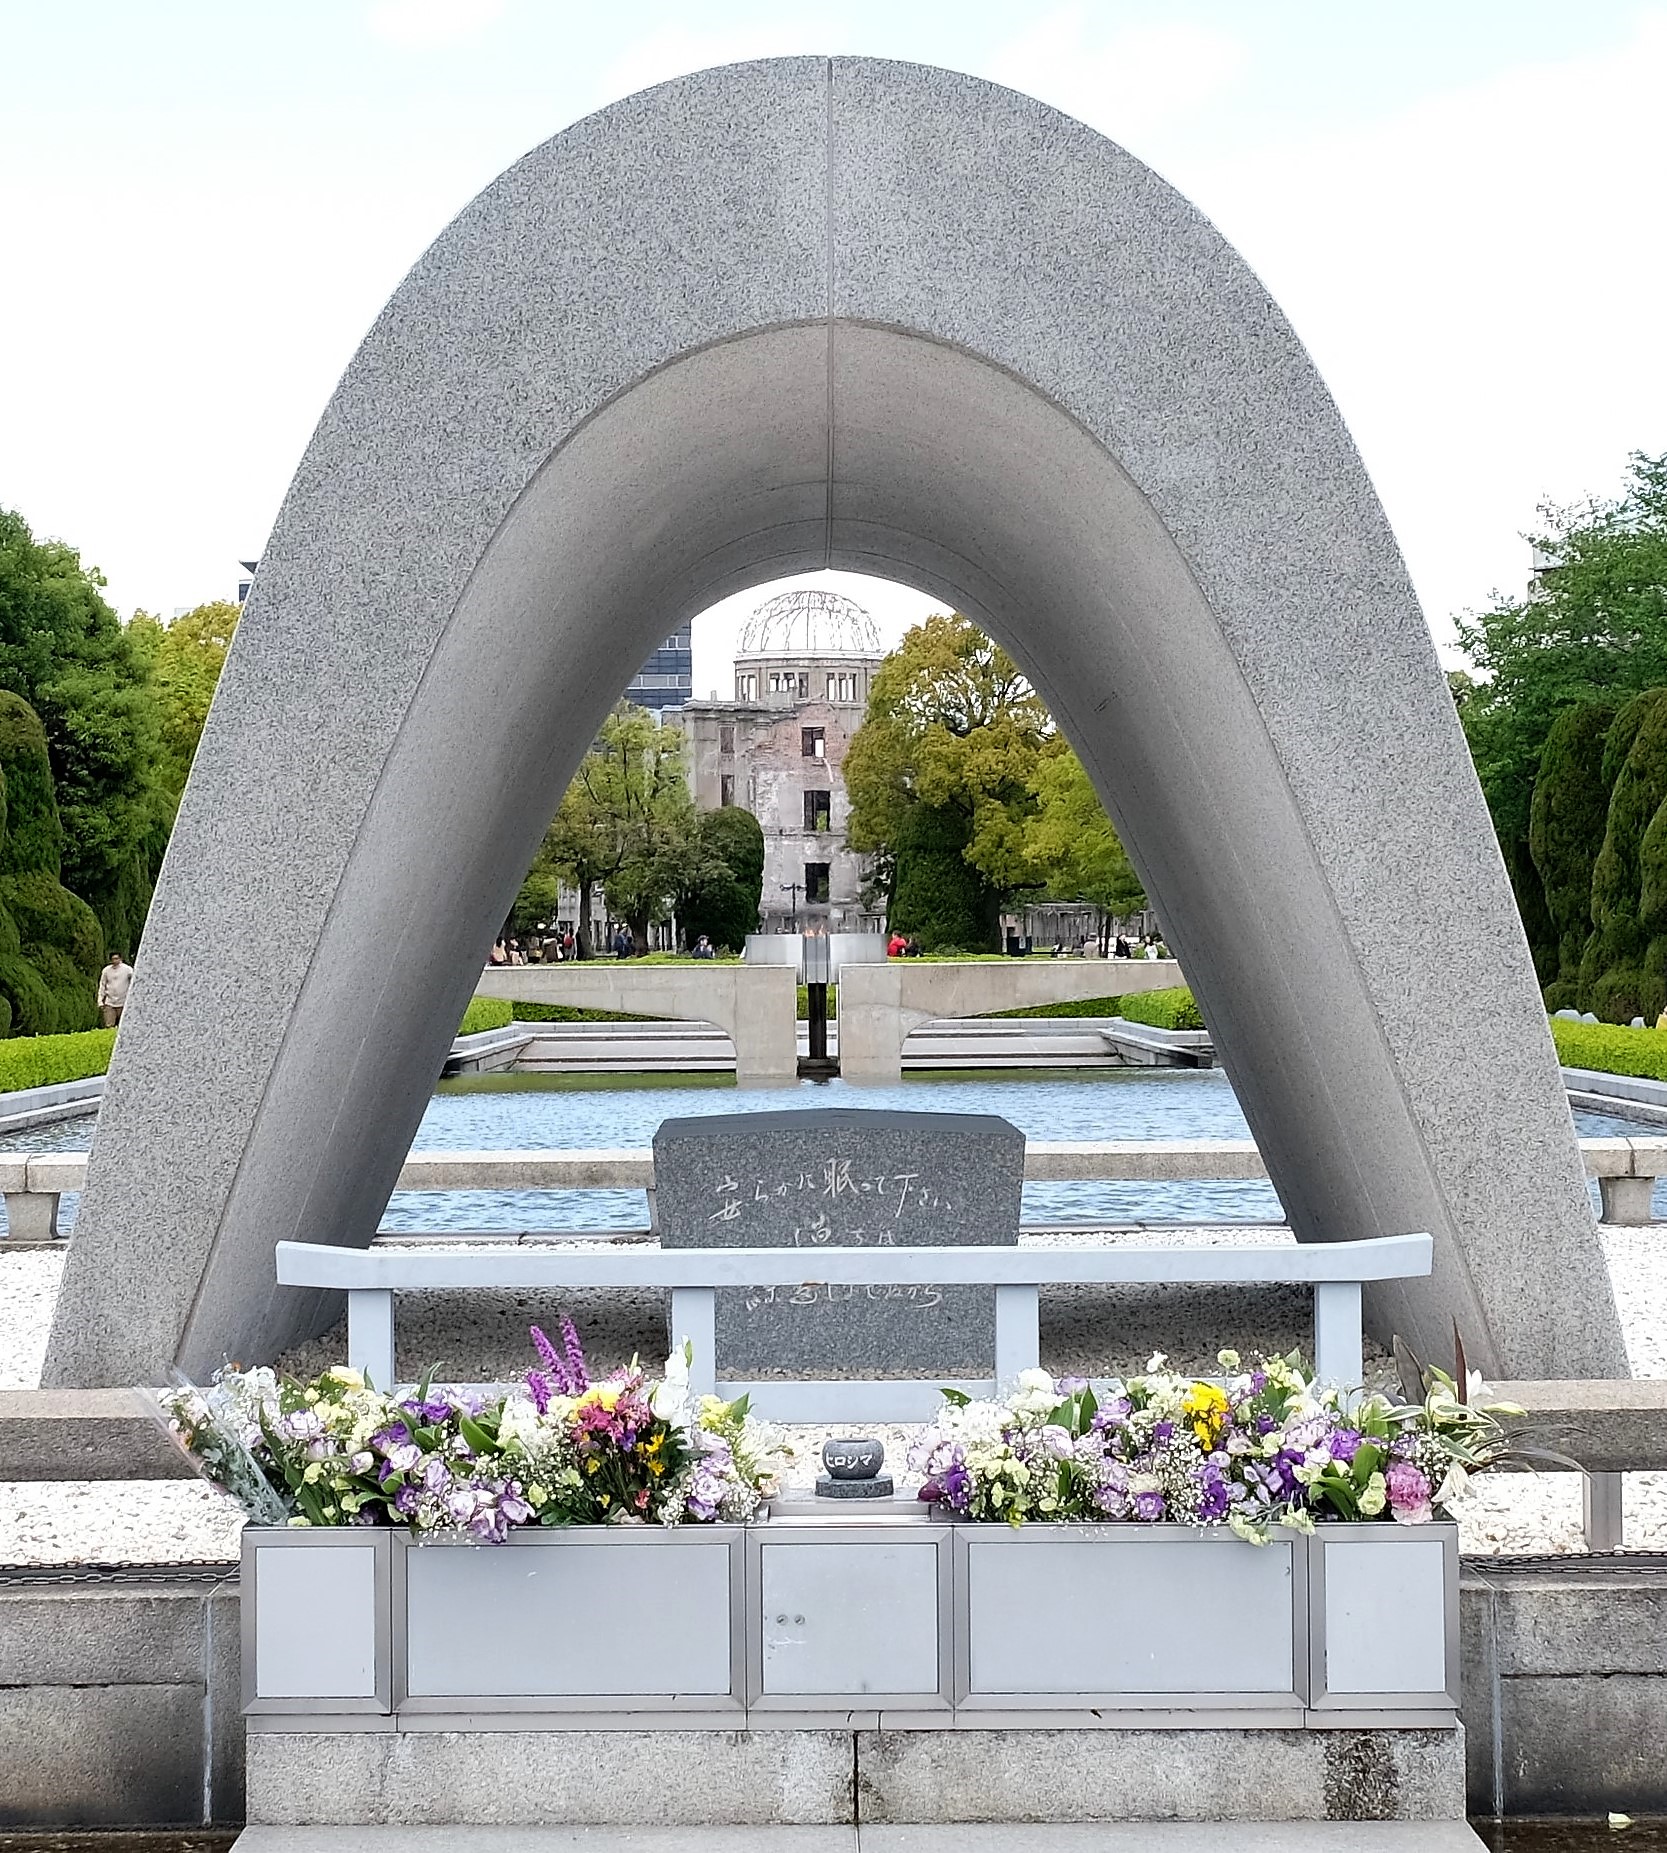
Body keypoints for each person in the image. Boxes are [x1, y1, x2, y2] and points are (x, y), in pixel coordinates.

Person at [97, 951, 133, 1028]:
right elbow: (102, 985)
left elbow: (133, 982)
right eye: (113, 959)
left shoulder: (127, 969)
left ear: (120, 959)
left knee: (124, 1026)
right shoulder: (106, 970)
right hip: (110, 1002)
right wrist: (100, 1000)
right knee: (109, 1025)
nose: (115, 961)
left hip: (123, 1001)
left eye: (116, 959)